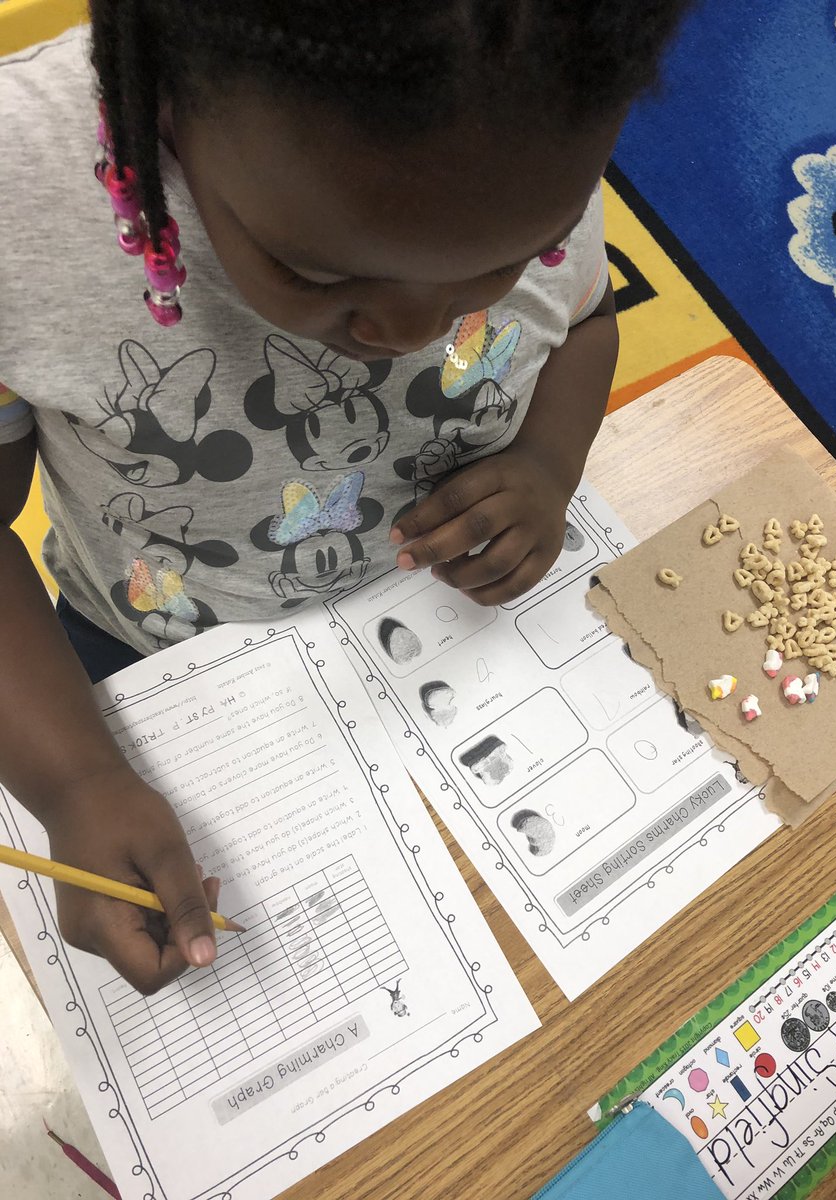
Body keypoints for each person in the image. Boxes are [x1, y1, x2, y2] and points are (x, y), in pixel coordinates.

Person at [0, 1, 689, 993]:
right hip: (146, 647)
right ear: (167, 111)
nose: (411, 327)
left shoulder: (534, 114)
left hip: (440, 625)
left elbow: (583, 320)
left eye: (498, 265)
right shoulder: (22, 203)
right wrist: (72, 779)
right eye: (314, 271)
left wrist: (547, 463)